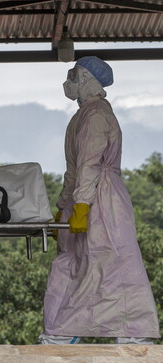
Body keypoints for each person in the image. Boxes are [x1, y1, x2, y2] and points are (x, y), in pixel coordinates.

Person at [39, 57, 160, 345]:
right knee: (78, 265)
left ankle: (133, 335)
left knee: (110, 264)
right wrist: (63, 207)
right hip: (85, 195)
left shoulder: (96, 115)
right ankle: (62, 331)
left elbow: (90, 165)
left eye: (75, 75)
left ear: (90, 80)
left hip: (101, 199)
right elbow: (74, 169)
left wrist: (80, 206)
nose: (69, 81)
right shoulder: (81, 116)